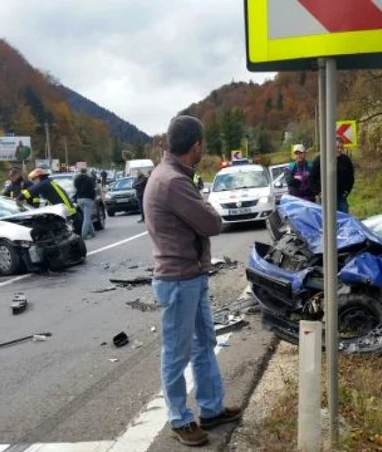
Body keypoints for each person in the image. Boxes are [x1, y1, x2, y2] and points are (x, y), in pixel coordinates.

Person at [143, 115, 241, 447]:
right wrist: (208, 207)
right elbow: (212, 223)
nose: (204, 148)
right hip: (179, 279)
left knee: (203, 344)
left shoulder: (175, 174)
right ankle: (179, 419)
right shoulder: (172, 181)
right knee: (177, 352)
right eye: (203, 144)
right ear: (195, 145)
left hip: (190, 276)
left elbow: (201, 211)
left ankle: (211, 409)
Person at [17, 168, 83, 235]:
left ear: (38, 177)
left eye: (33, 179)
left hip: (68, 214)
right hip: (70, 213)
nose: (33, 182)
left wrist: (19, 198)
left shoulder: (44, 183)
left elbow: (30, 191)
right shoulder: (49, 182)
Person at [309, 136, 355, 213]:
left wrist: (347, 191)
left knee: (343, 219)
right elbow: (312, 178)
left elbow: (351, 177)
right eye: (337, 147)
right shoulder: (320, 160)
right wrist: (319, 193)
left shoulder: (346, 160)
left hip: (341, 197)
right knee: (328, 221)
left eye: (341, 148)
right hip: (326, 198)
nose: (339, 150)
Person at [74, 168, 96, 239]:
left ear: (80, 172)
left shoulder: (76, 179)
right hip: (88, 199)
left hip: (79, 199)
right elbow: (92, 189)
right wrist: (93, 198)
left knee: (86, 216)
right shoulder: (89, 179)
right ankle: (84, 234)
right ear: (86, 172)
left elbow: (76, 188)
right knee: (86, 218)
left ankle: (92, 232)